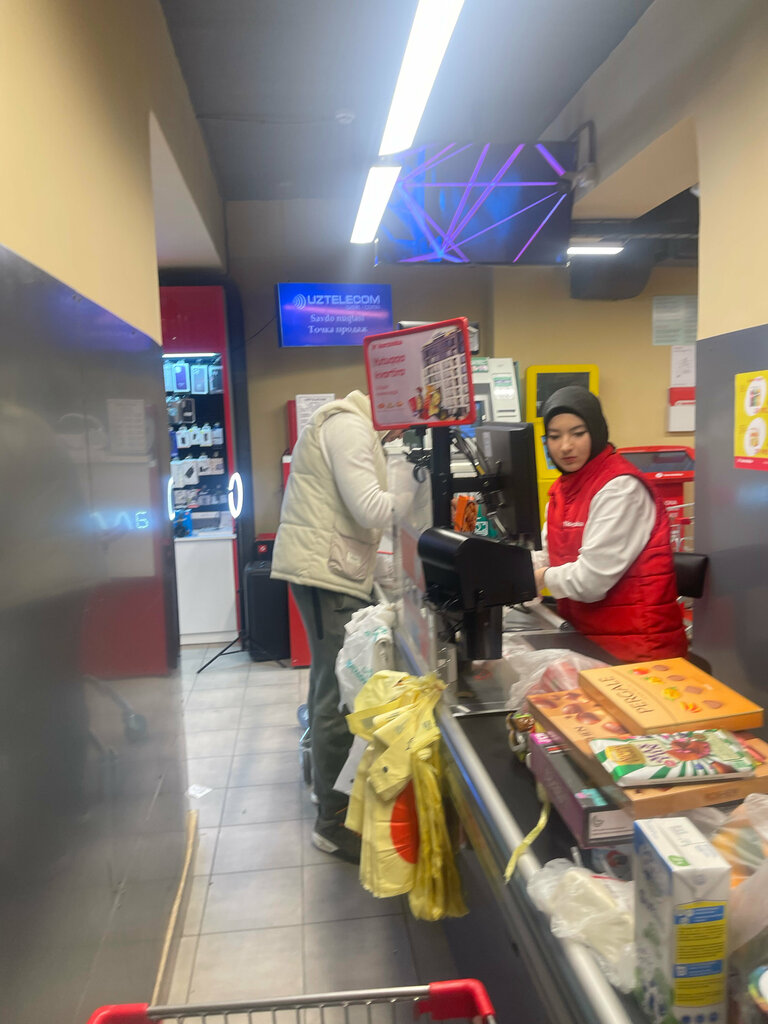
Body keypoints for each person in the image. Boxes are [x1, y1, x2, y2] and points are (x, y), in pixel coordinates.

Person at [271, 390, 414, 862]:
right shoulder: (350, 427)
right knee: (336, 693)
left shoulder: (351, 425)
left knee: (325, 684)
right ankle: (332, 822)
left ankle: (325, 793)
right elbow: (371, 508)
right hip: (326, 573)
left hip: (328, 569)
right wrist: (417, 486)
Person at [533, 386, 687, 662]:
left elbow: (590, 582)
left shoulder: (620, 488)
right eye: (554, 437)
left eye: (578, 433)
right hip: (588, 640)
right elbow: (552, 554)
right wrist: (516, 568)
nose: (565, 446)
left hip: (639, 653)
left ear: (596, 431)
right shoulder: (562, 490)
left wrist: (540, 577)